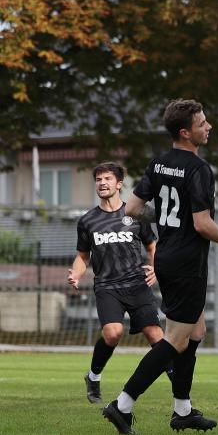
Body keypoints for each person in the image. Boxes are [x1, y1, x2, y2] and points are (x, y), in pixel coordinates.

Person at [102, 99, 218, 435]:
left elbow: (132, 209)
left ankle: (183, 410)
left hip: (165, 256)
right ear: (185, 132)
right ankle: (122, 404)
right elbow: (202, 223)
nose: (208, 127)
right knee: (176, 340)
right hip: (187, 262)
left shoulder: (159, 164)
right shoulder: (199, 169)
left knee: (195, 333)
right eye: (202, 124)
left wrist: (167, 221)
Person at [70, 162, 167, 404]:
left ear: (119, 184)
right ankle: (93, 376)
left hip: (137, 283)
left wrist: (155, 268)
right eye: (98, 179)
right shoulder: (88, 220)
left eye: (107, 179)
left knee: (156, 336)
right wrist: (76, 274)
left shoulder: (134, 214)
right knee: (113, 334)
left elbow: (152, 246)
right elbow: (83, 255)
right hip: (107, 286)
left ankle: (180, 389)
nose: (102, 183)